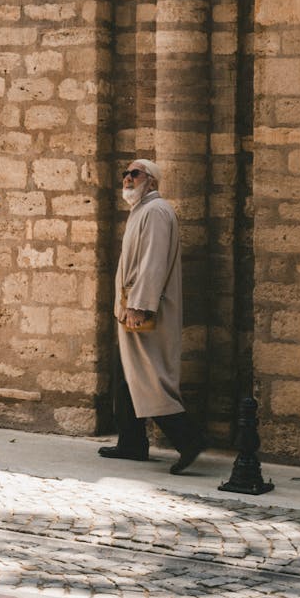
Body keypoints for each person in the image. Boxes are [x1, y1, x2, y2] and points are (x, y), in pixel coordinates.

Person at [98, 158, 204, 475]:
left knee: (148, 375)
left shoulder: (156, 212)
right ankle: (131, 442)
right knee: (125, 375)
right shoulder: (141, 211)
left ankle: (189, 440)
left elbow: (153, 262)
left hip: (142, 310)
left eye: (135, 174)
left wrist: (140, 305)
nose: (127, 178)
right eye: (125, 174)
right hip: (130, 307)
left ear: (152, 182)